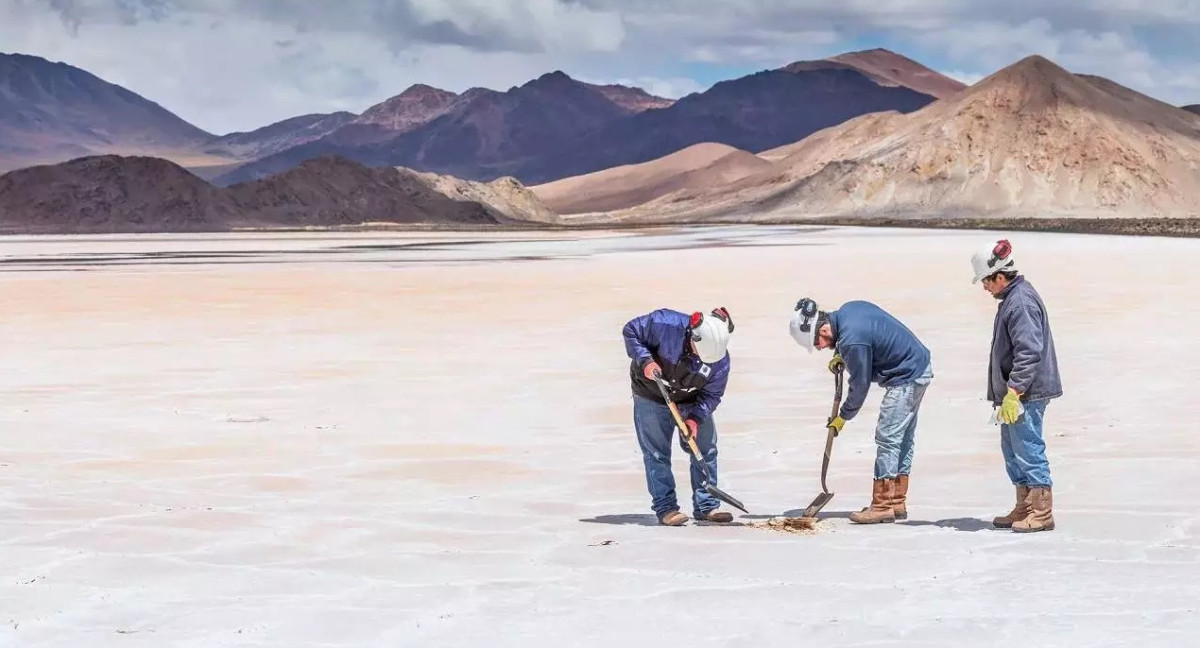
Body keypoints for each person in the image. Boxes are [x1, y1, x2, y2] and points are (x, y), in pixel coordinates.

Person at [789, 297, 933, 524]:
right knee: (902, 439)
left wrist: (843, 416)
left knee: (888, 438)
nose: (819, 347)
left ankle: (882, 505)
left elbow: (860, 385)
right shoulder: (848, 311)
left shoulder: (851, 342)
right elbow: (866, 340)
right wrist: (841, 355)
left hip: (905, 376)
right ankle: (896, 501)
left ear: (823, 328)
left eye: (817, 343)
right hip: (918, 366)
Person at [971, 239, 1062, 533]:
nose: (985, 288)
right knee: (1013, 449)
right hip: (1015, 392)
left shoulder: (1020, 302)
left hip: (1027, 392)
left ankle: (1041, 511)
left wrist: (1014, 391)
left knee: (1028, 447)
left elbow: (1029, 350)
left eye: (986, 281)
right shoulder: (1011, 299)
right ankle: (1024, 505)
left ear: (999, 276)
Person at [622, 307, 735, 526]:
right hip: (651, 392)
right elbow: (631, 330)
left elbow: (712, 394)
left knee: (705, 448)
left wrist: (695, 418)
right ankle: (666, 508)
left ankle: (707, 506)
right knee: (656, 453)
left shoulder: (720, 361)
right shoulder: (664, 323)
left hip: (691, 397)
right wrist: (645, 360)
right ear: (694, 336)